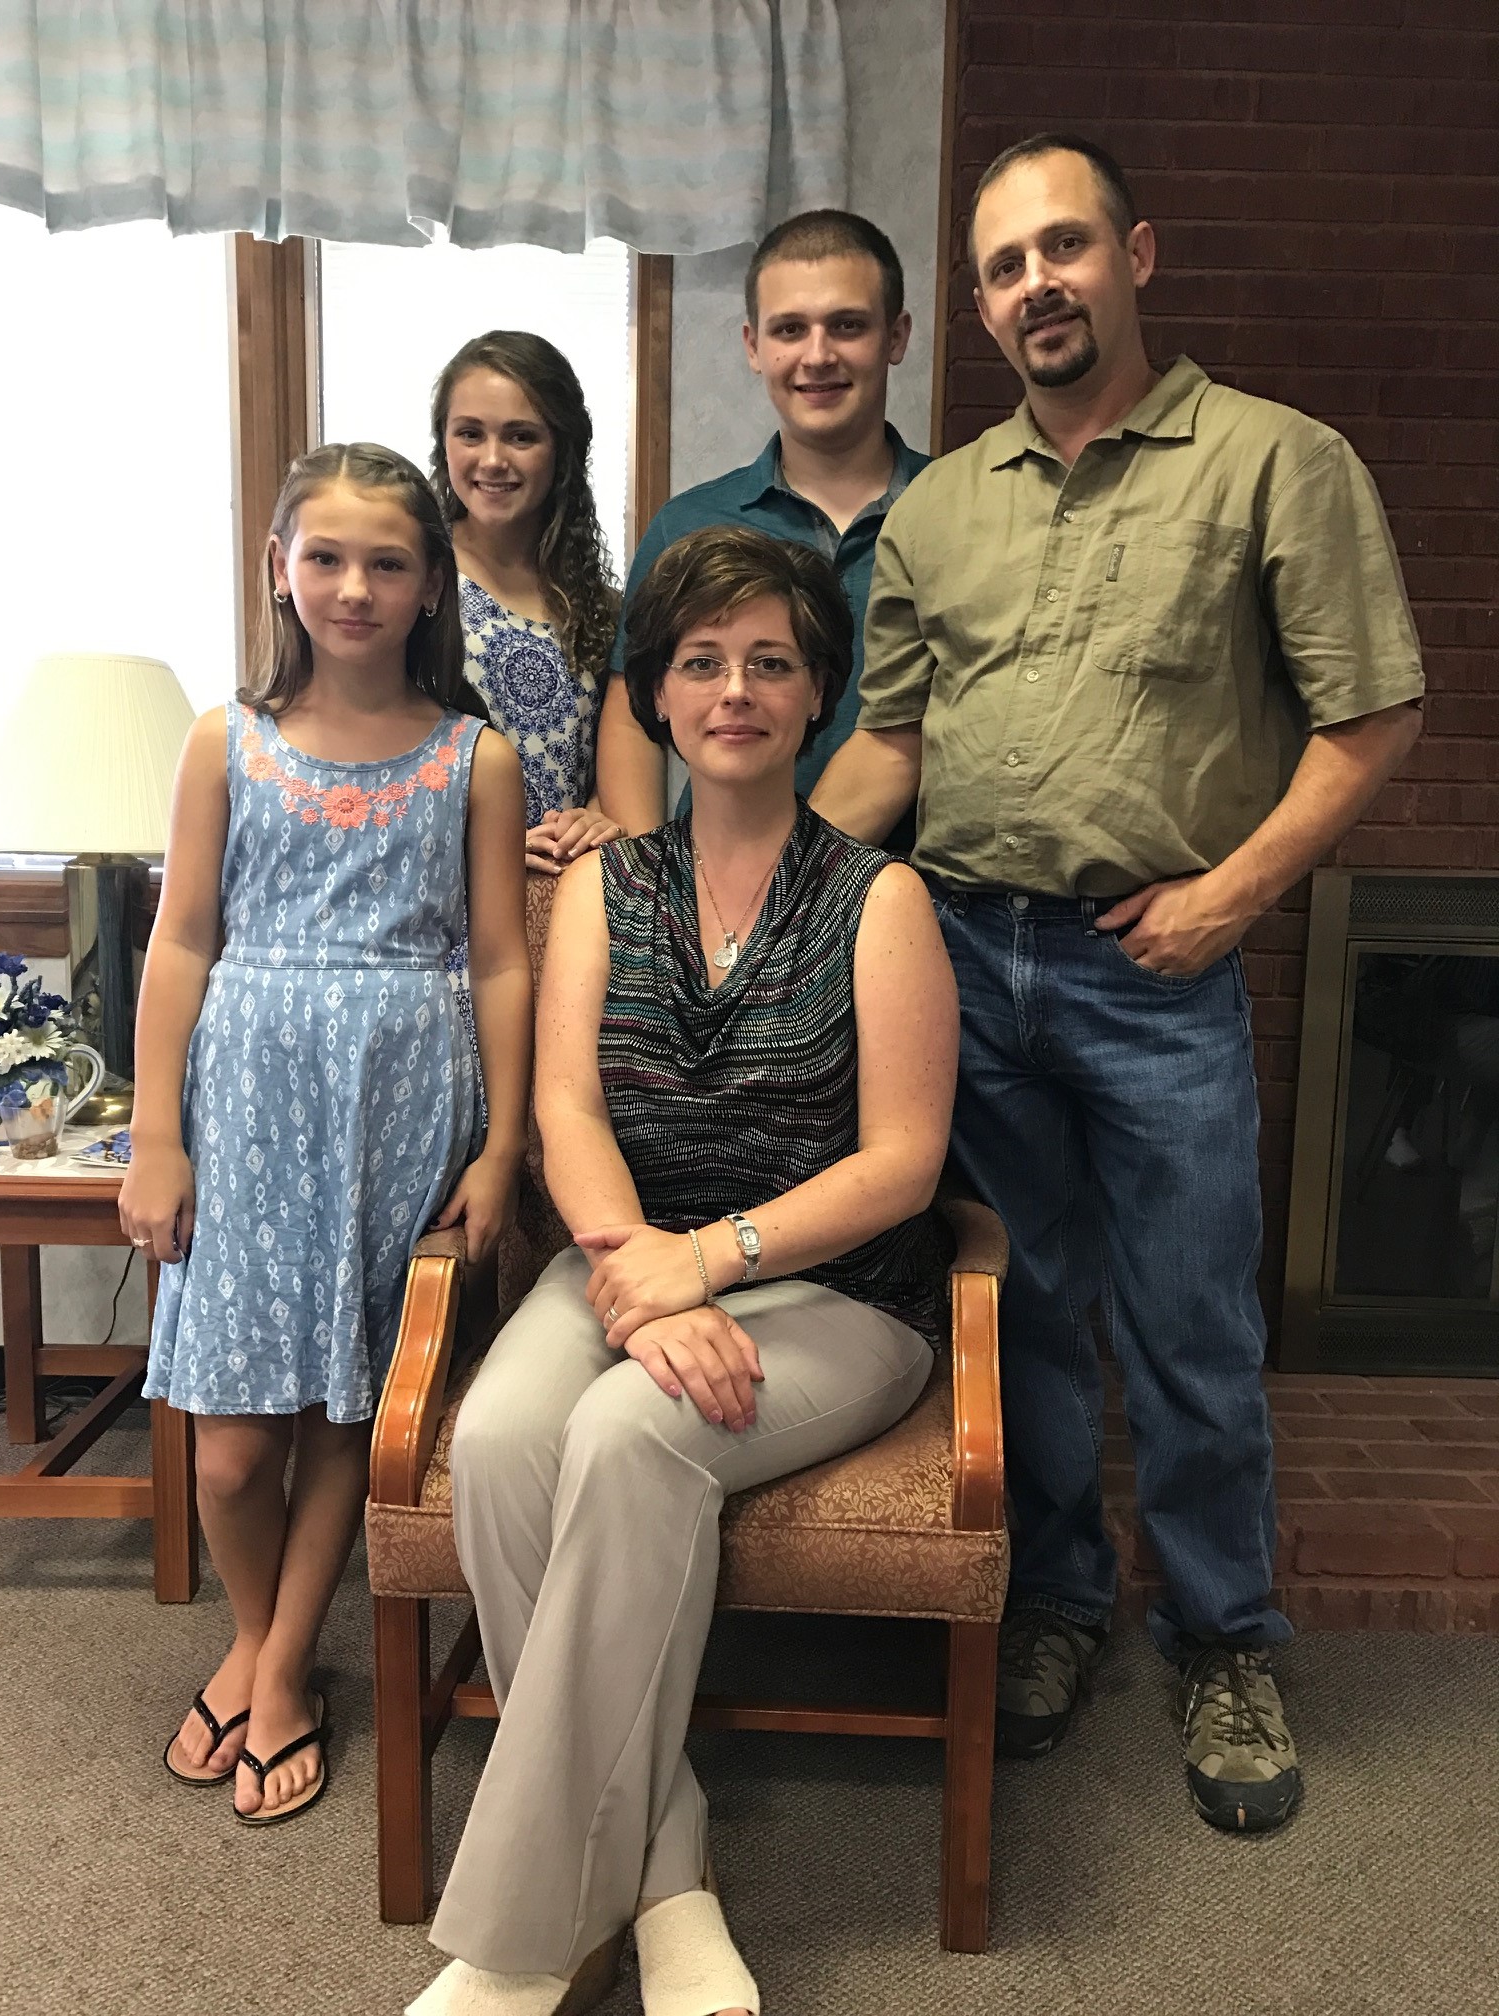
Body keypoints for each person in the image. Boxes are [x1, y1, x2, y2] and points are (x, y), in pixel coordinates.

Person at [813, 133, 1425, 1834]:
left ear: (1135, 254)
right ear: (983, 302)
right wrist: (752, 876)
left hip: (1154, 974)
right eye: (1004, 266)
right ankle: (1067, 1604)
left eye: (1063, 247)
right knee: (1023, 1316)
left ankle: (1225, 1636)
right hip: (962, 967)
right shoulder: (941, 505)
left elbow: (1371, 716)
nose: (1036, 288)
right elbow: (893, 746)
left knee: (1191, 1327)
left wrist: (1229, 897)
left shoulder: (1272, 464)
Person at [411, 527, 958, 2016]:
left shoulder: (883, 901)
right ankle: (667, 1874)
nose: (736, 690)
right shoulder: (602, 885)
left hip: (837, 1294)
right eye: (702, 662)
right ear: (654, 692)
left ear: (818, 692)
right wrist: (630, 1264)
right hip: (625, 1259)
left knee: (630, 1433)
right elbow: (568, 1109)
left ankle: (520, 1946)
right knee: (511, 1435)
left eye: (771, 662)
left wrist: (704, 1265)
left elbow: (903, 1164)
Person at [126, 443, 533, 1825]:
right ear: (280, 569)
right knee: (233, 1447)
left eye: (389, 562)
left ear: (431, 586)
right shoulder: (220, 739)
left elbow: (498, 963)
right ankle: (262, 1633)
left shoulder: (477, 757)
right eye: (327, 557)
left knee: (351, 1399)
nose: (354, 587)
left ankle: (282, 1667)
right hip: (242, 1111)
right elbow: (180, 942)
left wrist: (502, 1145)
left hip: (405, 1103)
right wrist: (154, 1137)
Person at [596, 209, 927, 848]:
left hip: (910, 897)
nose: (818, 355)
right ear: (753, 346)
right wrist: (652, 883)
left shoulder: (955, 512)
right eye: (790, 329)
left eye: (848, 325)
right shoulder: (687, 525)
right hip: (713, 894)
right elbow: (633, 714)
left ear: (896, 336)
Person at [430, 329, 625, 879]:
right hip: (442, 903)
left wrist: (597, 818)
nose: (492, 460)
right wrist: (483, 847)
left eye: (520, 436)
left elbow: (612, 782)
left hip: (568, 903)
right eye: (470, 433)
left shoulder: (601, 606)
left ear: (562, 450)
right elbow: (372, 759)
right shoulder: (414, 585)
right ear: (442, 443)